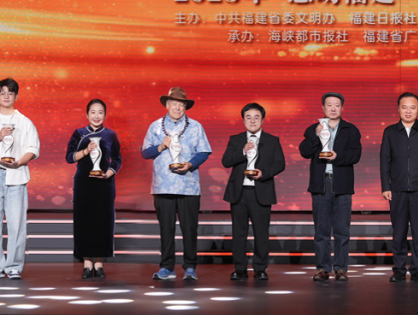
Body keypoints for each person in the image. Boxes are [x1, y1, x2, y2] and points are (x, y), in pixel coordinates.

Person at [141, 87, 213, 281]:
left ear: (185, 107)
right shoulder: (156, 126)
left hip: (188, 186)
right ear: (167, 105)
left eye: (181, 105)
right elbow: (145, 153)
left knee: (189, 229)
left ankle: (190, 267)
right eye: (174, 104)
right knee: (166, 229)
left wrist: (190, 164)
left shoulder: (195, 126)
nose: (178, 108)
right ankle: (166, 267)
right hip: (163, 186)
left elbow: (204, 151)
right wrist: (161, 146)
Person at [0, 78, 41, 280]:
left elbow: (33, 149)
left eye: (10, 93)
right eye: (2, 93)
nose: (6, 96)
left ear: (16, 96)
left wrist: (19, 163)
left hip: (16, 177)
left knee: (16, 224)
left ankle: (13, 266)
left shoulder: (25, 122)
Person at [299, 92, 362, 281]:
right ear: (323, 108)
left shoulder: (350, 129)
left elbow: (356, 156)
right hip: (321, 184)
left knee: (342, 230)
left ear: (342, 108)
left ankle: (341, 269)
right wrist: (315, 136)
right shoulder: (313, 128)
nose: (333, 108)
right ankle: (322, 268)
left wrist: (337, 157)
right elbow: (304, 151)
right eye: (329, 105)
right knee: (321, 230)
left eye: (337, 105)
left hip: (342, 184)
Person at [380, 92, 418, 283]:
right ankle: (398, 269)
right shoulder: (390, 132)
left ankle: (417, 269)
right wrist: (386, 186)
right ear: (398, 109)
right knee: (398, 232)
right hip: (397, 190)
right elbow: (384, 161)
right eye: (404, 107)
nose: (408, 111)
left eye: (412, 107)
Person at [222, 102, 286, 281]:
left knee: (261, 233)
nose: (252, 121)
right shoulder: (235, 139)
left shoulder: (272, 140)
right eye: (248, 117)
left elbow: (280, 164)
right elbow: (226, 161)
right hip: (239, 192)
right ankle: (240, 269)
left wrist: (263, 173)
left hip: (261, 191)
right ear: (243, 120)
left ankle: (260, 269)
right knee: (239, 233)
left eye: (256, 117)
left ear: (262, 120)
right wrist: (242, 152)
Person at [65, 99, 122, 279]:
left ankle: (99, 264)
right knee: (84, 222)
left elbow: (117, 159)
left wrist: (109, 174)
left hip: (104, 185)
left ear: (105, 115)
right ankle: (87, 264)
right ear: (87, 114)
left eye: (100, 112)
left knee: (102, 223)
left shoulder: (111, 135)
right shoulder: (79, 133)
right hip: (84, 184)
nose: (97, 116)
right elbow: (69, 157)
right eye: (93, 112)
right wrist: (85, 151)